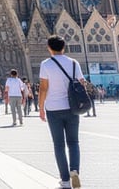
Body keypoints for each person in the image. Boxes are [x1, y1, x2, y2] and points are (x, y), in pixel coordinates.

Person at [39, 35, 85, 189]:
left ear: (49, 48)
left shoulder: (46, 64)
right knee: (73, 142)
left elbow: (44, 88)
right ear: (63, 47)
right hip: (72, 108)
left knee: (58, 145)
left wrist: (40, 108)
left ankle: (65, 180)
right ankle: (75, 171)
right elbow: (81, 83)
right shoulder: (73, 63)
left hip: (53, 109)